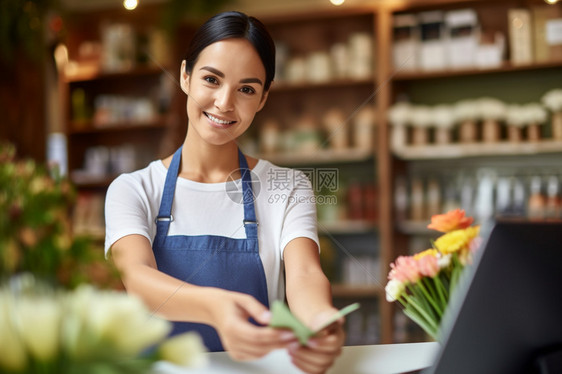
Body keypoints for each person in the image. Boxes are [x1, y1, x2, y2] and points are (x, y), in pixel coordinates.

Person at [105, 11, 345, 374]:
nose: (224, 103)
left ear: (263, 98)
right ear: (185, 77)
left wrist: (321, 322)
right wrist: (216, 309)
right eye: (211, 79)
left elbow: (305, 275)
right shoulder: (134, 189)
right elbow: (138, 278)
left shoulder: (288, 187)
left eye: (246, 89)